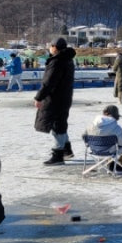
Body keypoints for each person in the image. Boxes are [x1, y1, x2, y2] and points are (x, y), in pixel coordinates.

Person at [35, 37, 76, 165]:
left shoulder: (57, 61)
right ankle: (66, 150)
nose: (49, 48)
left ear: (55, 47)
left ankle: (58, 153)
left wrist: (39, 97)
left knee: (57, 125)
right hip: (64, 97)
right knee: (60, 123)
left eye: (50, 46)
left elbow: (49, 82)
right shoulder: (68, 60)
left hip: (56, 99)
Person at [82, 105, 122, 171]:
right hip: (109, 150)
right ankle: (117, 165)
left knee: (111, 145)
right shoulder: (115, 127)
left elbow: (84, 136)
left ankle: (111, 164)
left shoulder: (91, 124)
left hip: (94, 150)